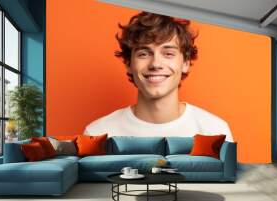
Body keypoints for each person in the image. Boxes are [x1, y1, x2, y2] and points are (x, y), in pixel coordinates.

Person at [84, 12, 233, 142]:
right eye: (144, 54)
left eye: (168, 54)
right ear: (129, 63)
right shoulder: (97, 134)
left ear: (186, 63)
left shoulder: (215, 132)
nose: (155, 64)